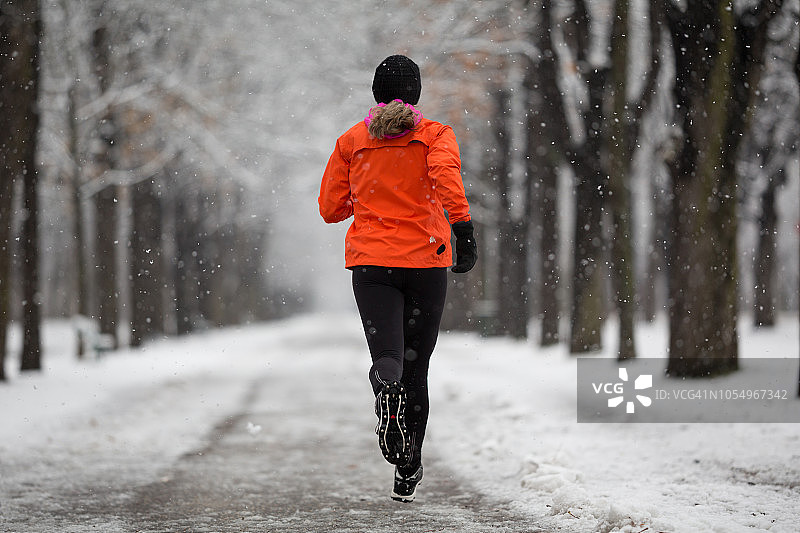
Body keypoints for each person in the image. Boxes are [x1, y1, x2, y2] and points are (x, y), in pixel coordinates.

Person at [318, 54, 477, 503]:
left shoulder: (353, 140)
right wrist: (463, 230)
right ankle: (408, 468)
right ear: (416, 94)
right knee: (417, 367)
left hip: (372, 266)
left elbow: (330, 208)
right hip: (426, 262)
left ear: (375, 93)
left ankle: (386, 387)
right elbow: (445, 179)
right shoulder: (436, 135)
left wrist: (368, 199)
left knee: (389, 357)